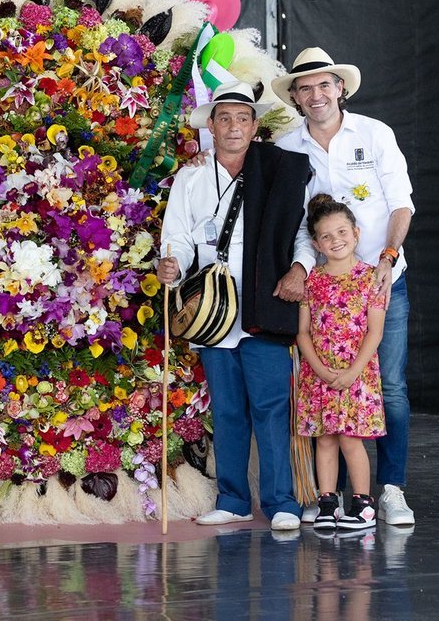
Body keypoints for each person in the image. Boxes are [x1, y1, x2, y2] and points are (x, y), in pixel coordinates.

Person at [156, 81, 314, 531]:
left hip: (266, 302)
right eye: (224, 118)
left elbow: (302, 230)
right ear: (211, 124)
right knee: (226, 410)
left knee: (271, 406)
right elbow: (178, 236)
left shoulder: (280, 169)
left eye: (242, 118)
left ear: (255, 126)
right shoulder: (190, 177)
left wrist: (300, 268)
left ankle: (282, 503)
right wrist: (172, 264)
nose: (233, 127)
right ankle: (233, 500)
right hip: (211, 307)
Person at [272, 47, 416, 526]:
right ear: (295, 97)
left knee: (389, 387)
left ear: (340, 88)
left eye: (324, 84)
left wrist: (387, 257)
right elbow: (299, 224)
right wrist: (300, 267)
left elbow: (401, 204)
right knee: (325, 392)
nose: (316, 95)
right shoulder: (289, 148)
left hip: (380, 282)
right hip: (327, 294)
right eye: (305, 88)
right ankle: (327, 495)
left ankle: (389, 489)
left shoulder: (375, 134)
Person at [296, 194, 387, 532]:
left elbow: (375, 332)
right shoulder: (312, 281)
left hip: (356, 374)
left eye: (342, 232)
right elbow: (303, 332)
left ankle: (363, 506)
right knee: (324, 439)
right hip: (318, 373)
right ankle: (328, 502)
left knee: (350, 438)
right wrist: (320, 370)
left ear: (356, 233)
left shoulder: (371, 279)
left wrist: (352, 372)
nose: (336, 240)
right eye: (326, 236)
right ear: (316, 244)